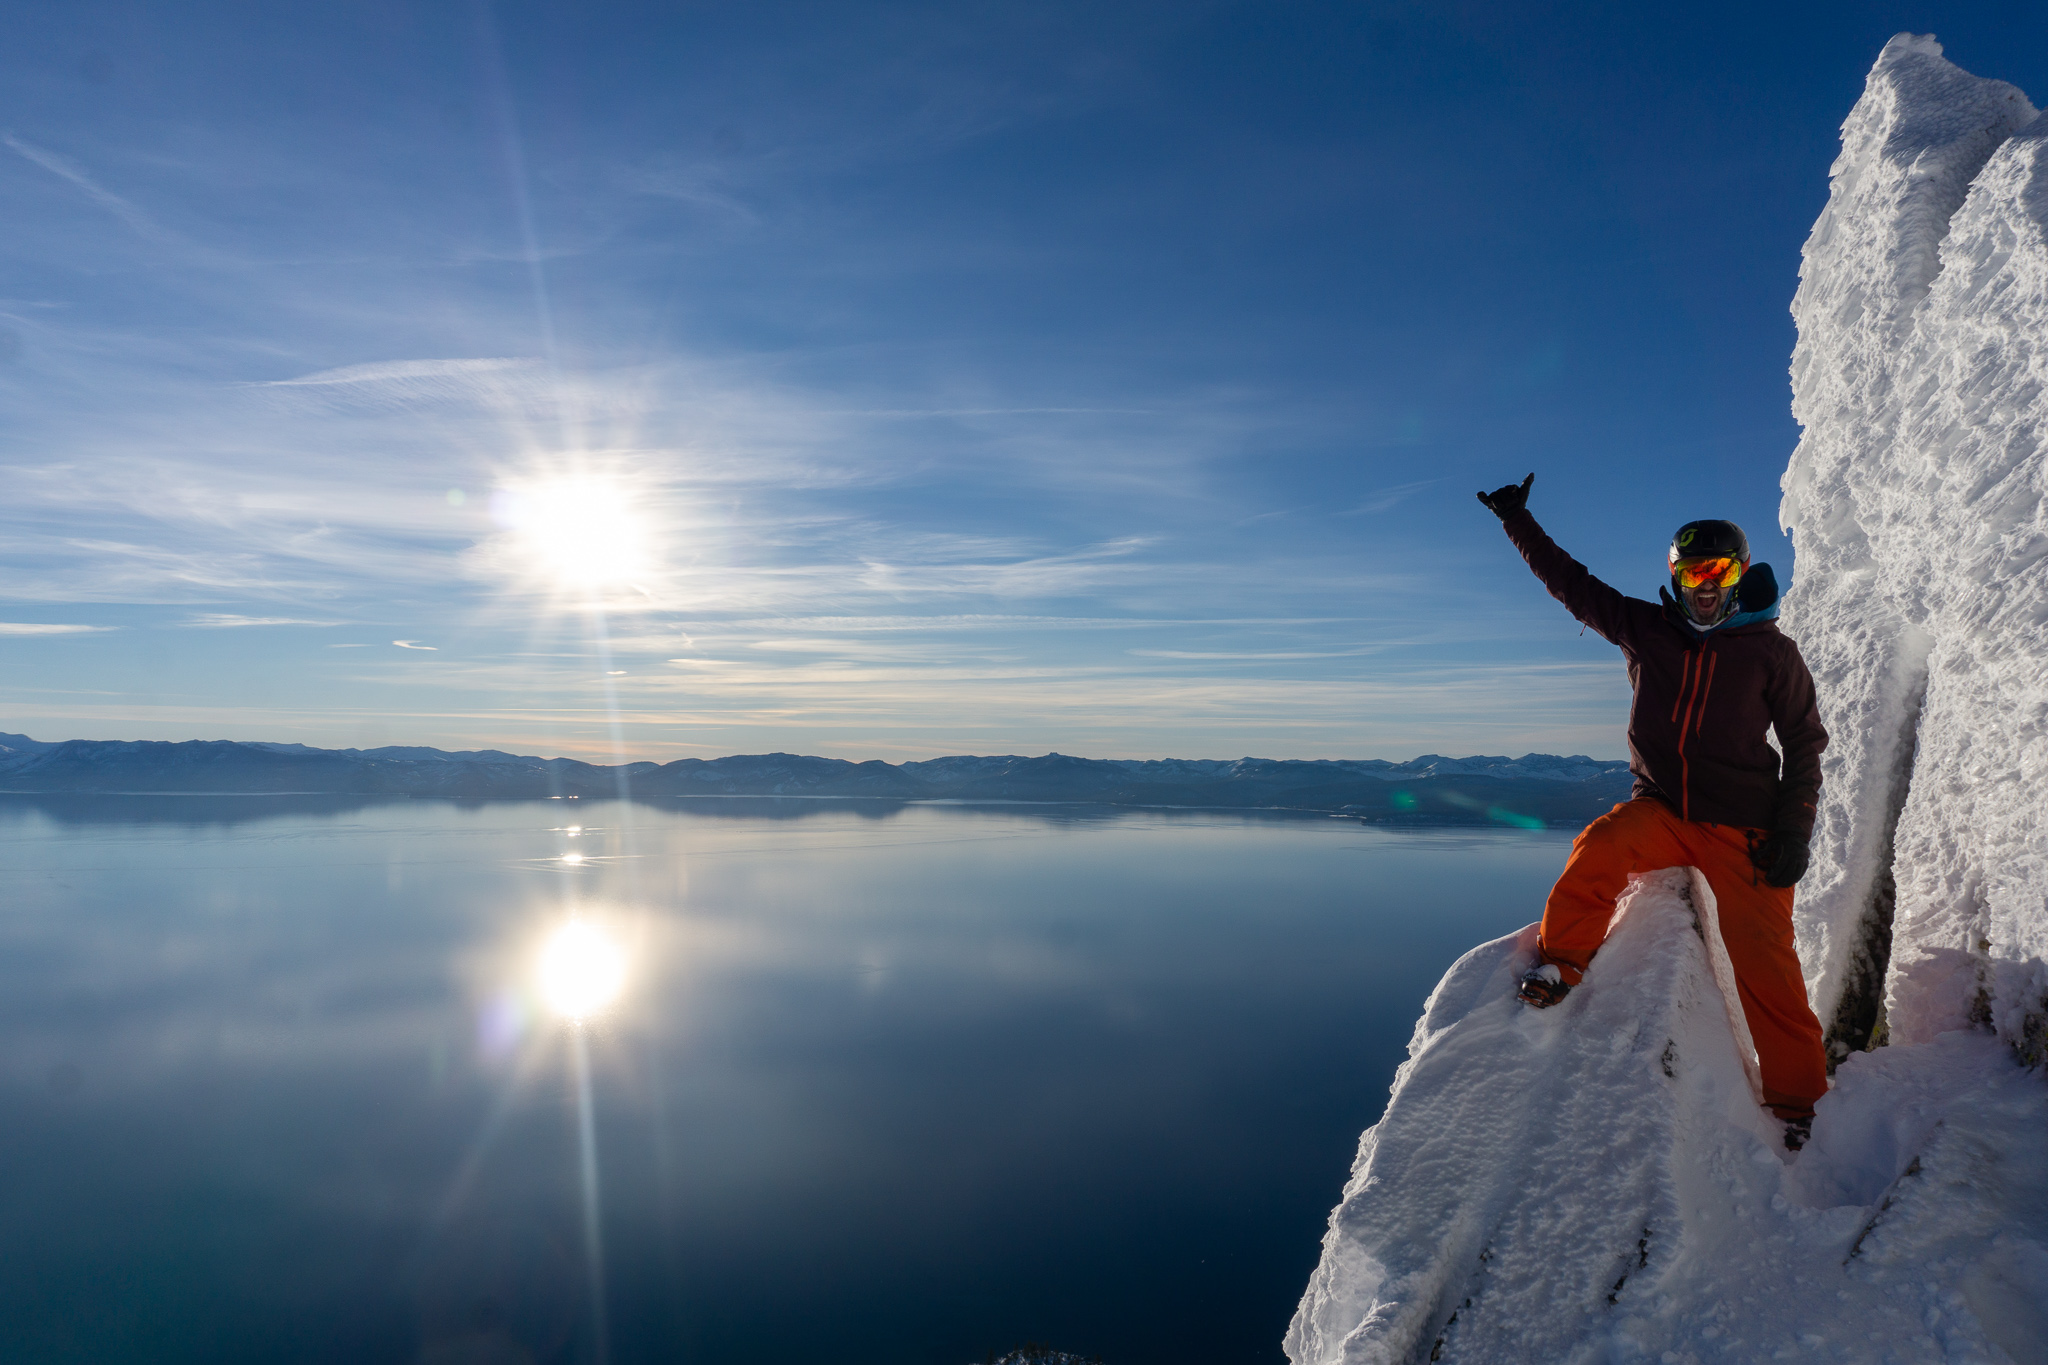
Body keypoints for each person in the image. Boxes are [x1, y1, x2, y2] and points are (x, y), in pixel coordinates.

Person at [1475, 473, 1829, 1150]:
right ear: (1675, 575)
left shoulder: (1772, 654)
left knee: (1768, 963)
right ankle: (1563, 963)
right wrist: (1516, 521)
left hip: (1744, 828)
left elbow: (1806, 742)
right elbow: (1572, 584)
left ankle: (1799, 1104)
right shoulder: (1647, 628)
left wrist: (1793, 830)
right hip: (1663, 811)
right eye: (1691, 571)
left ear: (1740, 573)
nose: (1703, 585)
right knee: (1601, 845)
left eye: (1717, 571)